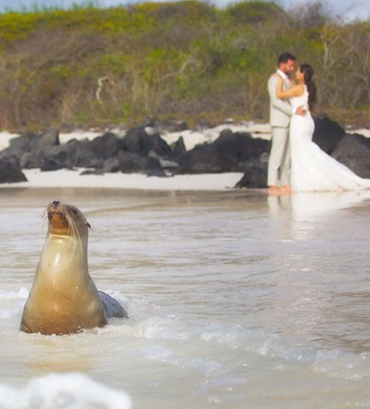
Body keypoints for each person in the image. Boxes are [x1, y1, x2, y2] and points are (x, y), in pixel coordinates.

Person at [276, 63, 370, 192]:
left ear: (303, 74)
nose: (296, 73)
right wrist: (290, 80)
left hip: (299, 122)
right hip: (307, 121)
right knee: (307, 151)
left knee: (300, 152)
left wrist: (280, 78)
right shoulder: (306, 87)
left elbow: (280, 94)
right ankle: (305, 179)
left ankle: (304, 181)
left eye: (298, 71)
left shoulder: (299, 88)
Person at [267, 53, 306, 195]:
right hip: (280, 121)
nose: (292, 68)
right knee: (277, 152)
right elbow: (276, 101)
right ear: (282, 64)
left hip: (291, 122)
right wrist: (294, 111)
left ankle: (284, 182)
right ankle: (272, 183)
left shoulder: (289, 80)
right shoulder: (274, 79)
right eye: (290, 65)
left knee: (287, 154)